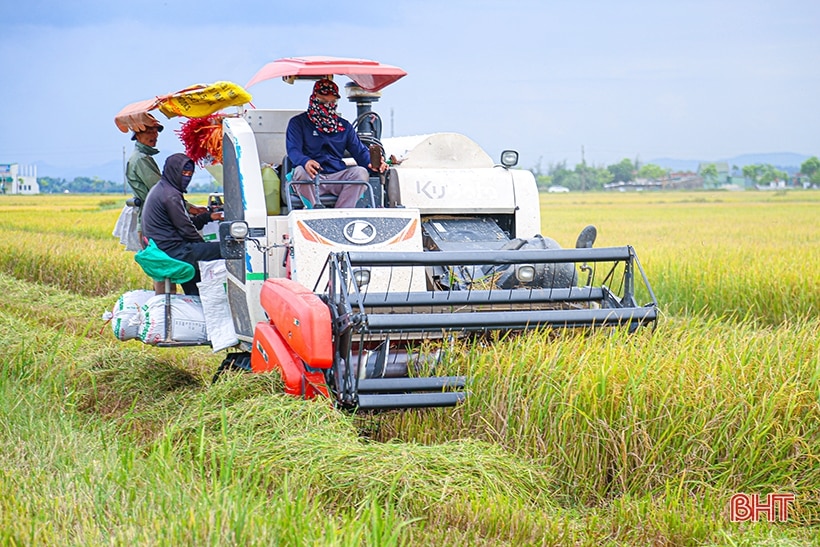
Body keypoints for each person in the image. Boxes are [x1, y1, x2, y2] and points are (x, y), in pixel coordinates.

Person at [286, 78, 387, 208]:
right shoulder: (298, 123)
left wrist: (373, 163)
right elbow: (293, 151)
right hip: (311, 178)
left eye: (332, 102)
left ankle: (342, 213)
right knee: (299, 171)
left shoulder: (344, 127)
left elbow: (360, 152)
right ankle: (313, 212)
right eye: (323, 102)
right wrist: (305, 161)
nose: (328, 106)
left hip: (337, 178)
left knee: (360, 173)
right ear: (313, 98)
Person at [141, 153, 223, 296]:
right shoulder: (171, 195)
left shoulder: (161, 188)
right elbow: (186, 229)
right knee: (227, 249)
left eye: (190, 174)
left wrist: (208, 217)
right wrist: (202, 244)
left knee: (196, 258)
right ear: (173, 171)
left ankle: (196, 299)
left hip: (161, 247)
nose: (186, 177)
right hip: (172, 250)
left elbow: (184, 223)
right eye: (183, 173)